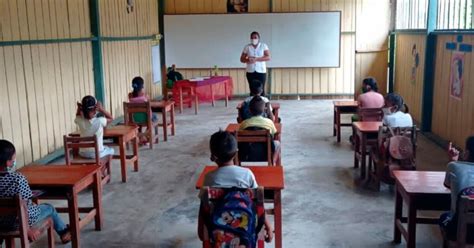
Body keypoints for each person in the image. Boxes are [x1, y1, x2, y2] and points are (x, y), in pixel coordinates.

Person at [199, 131, 273, 243]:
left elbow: (203, 207)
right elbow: (259, 203)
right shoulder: (247, 174)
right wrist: (268, 226)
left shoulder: (209, 178)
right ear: (236, 153)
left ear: (212, 157)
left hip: (218, 233)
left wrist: (202, 232)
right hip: (247, 230)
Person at [0, 140, 71, 243]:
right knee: (49, 208)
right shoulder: (17, 179)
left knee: (31, 205)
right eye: (13, 159)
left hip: (1, 222)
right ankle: (64, 232)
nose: (14, 161)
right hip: (17, 222)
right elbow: (23, 206)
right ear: (8, 162)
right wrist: (27, 229)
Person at [440, 136, 474, 243]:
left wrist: (453, 161)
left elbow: (448, 185)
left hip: (460, 230)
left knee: (444, 216)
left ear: (467, 153)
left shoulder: (453, 166)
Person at [239, 96, 280, 163]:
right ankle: (273, 163)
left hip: (248, 155)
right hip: (266, 154)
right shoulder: (269, 122)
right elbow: (274, 134)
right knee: (277, 143)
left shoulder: (244, 123)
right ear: (264, 110)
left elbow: (240, 135)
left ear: (249, 110)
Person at [240, 31, 271, 96]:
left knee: (261, 90)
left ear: (258, 38)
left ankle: (263, 105)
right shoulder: (247, 47)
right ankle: (253, 105)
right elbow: (241, 59)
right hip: (250, 71)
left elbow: (268, 57)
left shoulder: (263, 46)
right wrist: (248, 59)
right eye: (252, 38)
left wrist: (256, 59)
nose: (253, 39)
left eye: (255, 37)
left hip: (261, 71)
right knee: (252, 90)